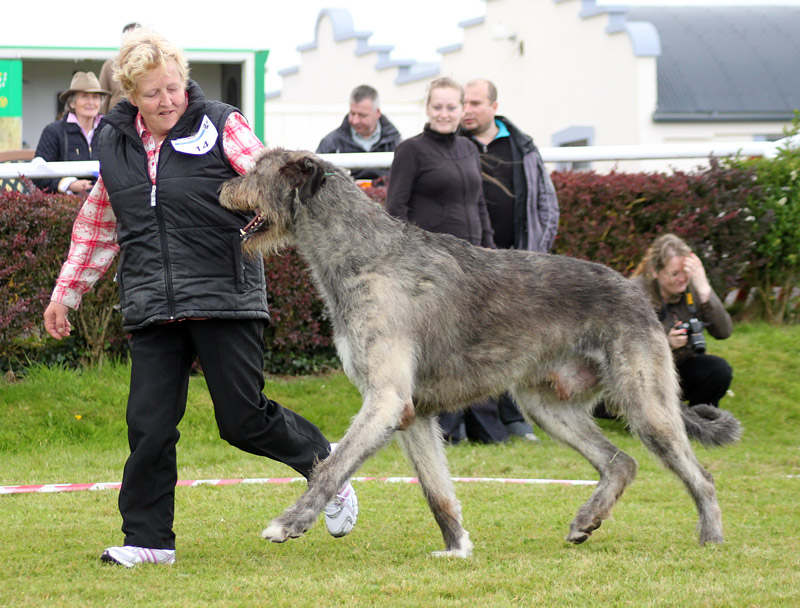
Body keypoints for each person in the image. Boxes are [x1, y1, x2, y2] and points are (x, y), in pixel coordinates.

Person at [42, 28, 357, 569]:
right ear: (130, 98)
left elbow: (268, 177)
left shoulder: (219, 124)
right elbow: (99, 220)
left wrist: (278, 221)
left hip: (223, 292)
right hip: (150, 299)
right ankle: (148, 540)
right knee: (149, 426)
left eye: (175, 88)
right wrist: (66, 293)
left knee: (243, 421)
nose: (168, 101)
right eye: (152, 93)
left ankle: (325, 467)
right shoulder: (114, 141)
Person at [386, 77, 507, 444]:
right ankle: (446, 429)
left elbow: (478, 203)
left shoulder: (470, 149)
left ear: (462, 110)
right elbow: (395, 210)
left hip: (475, 264)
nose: (444, 113)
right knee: (442, 348)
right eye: (437, 107)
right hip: (432, 268)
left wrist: (489, 248)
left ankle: (487, 429)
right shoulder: (411, 151)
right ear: (427, 108)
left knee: (479, 343)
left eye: (451, 107)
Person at [459, 78, 561, 442]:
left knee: (514, 342)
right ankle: (469, 423)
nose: (466, 110)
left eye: (474, 103)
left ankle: (515, 418)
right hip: (468, 265)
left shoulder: (523, 147)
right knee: (468, 342)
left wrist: (536, 255)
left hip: (518, 267)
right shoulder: (452, 145)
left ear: (493, 106)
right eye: (463, 103)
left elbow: (547, 206)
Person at [632, 233, 733, 408]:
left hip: (679, 368)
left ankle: (700, 415)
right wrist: (665, 341)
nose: (682, 279)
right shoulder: (634, 293)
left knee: (718, 370)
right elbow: (626, 347)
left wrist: (704, 289)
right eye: (674, 273)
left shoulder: (692, 289)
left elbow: (723, 332)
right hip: (639, 375)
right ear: (656, 271)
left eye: (686, 272)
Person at [33, 71, 110, 195]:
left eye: (95, 97)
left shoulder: (109, 131)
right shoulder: (53, 131)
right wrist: (68, 184)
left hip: (104, 202)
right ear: (72, 103)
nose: (91, 102)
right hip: (66, 207)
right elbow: (38, 174)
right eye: (84, 96)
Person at [316, 84, 401, 180]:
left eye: (362, 115)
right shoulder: (330, 144)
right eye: (352, 113)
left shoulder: (396, 143)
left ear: (377, 113)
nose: (355, 120)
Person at [99, 22, 141, 115]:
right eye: (130, 38)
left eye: (137, 38)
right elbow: (102, 96)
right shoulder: (110, 65)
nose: (133, 42)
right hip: (116, 118)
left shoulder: (151, 65)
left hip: (142, 117)